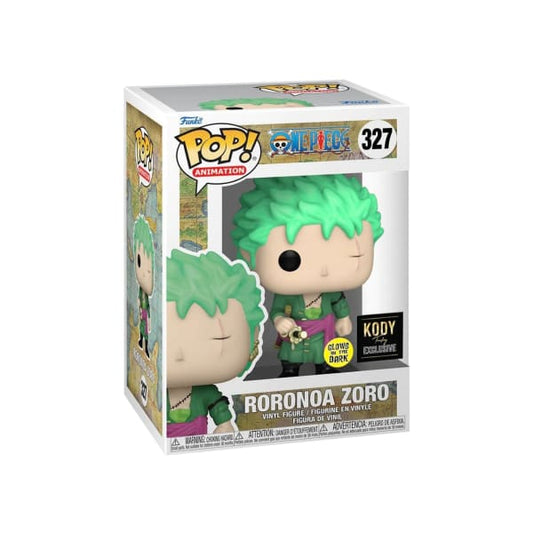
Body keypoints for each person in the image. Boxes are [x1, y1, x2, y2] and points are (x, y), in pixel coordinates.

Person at [232, 174, 383, 377]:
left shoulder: (332, 293)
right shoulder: (287, 295)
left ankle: (325, 368)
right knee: (292, 358)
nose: (324, 271)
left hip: (323, 335)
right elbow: (277, 310)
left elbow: (339, 303)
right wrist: (279, 320)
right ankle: (290, 370)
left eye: (354, 256)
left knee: (324, 357)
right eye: (290, 260)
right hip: (295, 337)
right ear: (247, 253)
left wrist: (344, 318)